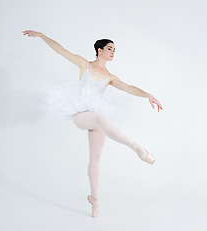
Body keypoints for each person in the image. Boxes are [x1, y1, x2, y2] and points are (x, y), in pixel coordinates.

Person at [22, 30, 163, 217]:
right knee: (99, 118)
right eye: (110, 48)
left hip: (98, 118)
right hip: (81, 115)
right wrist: (41, 35)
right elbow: (61, 50)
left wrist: (147, 95)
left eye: (115, 49)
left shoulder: (111, 77)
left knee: (95, 157)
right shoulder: (84, 64)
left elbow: (129, 88)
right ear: (99, 50)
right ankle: (138, 148)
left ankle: (94, 198)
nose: (113, 52)